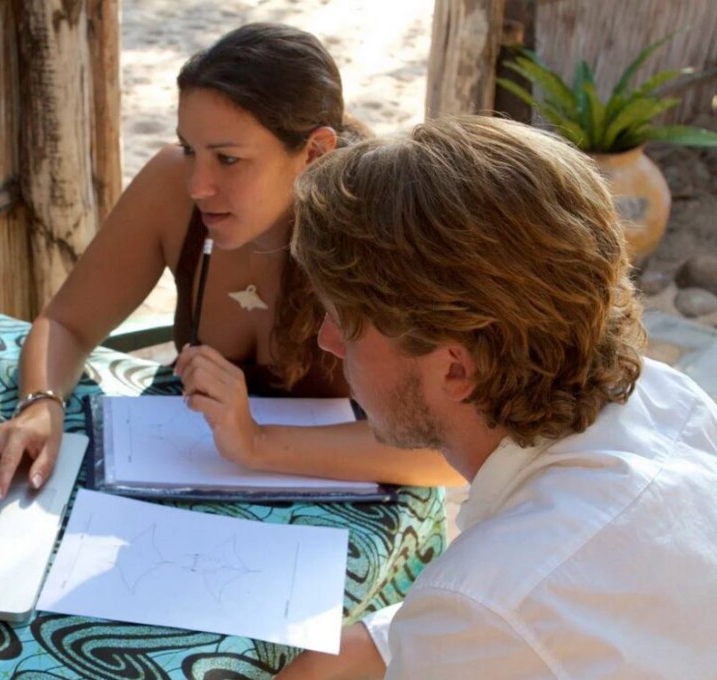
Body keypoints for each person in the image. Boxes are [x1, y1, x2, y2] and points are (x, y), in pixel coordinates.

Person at [0, 23, 463, 499]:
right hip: (182, 470)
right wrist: (40, 405)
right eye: (190, 149)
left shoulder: (380, 233)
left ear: (315, 153)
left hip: (350, 496)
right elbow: (68, 322)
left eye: (228, 159)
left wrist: (255, 443)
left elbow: (449, 452)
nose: (198, 184)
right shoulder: (172, 192)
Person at [277, 115, 717, 678]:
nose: (327, 341)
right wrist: (376, 640)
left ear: (456, 369)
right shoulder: (665, 400)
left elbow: (503, 614)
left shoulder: (482, 607)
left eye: (345, 320)